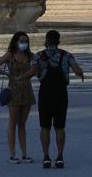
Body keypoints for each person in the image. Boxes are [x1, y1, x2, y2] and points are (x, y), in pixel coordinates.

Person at [34, 29, 84, 169]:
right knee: (60, 126)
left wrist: (19, 77)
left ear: (46, 41)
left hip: (45, 93)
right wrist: (80, 73)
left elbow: (33, 71)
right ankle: (60, 156)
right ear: (58, 41)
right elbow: (77, 70)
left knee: (45, 126)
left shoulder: (39, 55)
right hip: (61, 94)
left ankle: (46, 157)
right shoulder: (66, 55)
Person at [0, 31, 37, 163]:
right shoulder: (10, 55)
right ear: (16, 42)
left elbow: (38, 66)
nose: (24, 44)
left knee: (22, 123)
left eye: (26, 41)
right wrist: (6, 74)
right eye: (22, 41)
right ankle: (12, 154)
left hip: (27, 91)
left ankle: (24, 154)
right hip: (14, 91)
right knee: (13, 122)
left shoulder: (30, 56)